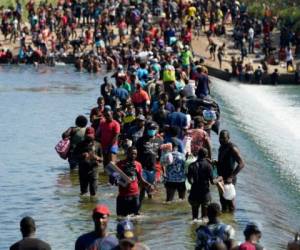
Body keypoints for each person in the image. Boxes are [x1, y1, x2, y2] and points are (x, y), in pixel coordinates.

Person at [115, 147, 154, 216]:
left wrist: (148, 185)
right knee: (121, 219)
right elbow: (114, 180)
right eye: (132, 153)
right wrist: (123, 179)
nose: (133, 155)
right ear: (127, 153)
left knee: (136, 220)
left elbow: (141, 180)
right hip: (123, 197)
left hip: (135, 196)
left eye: (135, 154)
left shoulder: (138, 165)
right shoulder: (119, 164)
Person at [187, 148, 221, 220]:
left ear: (198, 154)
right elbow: (212, 182)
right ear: (206, 155)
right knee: (204, 218)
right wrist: (219, 178)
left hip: (194, 193)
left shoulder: (191, 165)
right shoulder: (208, 166)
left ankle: (194, 229)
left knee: (194, 218)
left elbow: (189, 180)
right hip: (205, 194)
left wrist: (194, 184)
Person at [216, 130, 245, 212]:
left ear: (228, 138)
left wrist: (231, 177)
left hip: (229, 178)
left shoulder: (232, 148)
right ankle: (225, 218)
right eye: (220, 138)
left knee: (230, 201)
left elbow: (241, 163)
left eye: (223, 138)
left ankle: (232, 220)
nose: (221, 140)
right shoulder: (221, 147)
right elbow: (224, 161)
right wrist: (217, 163)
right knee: (222, 200)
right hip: (221, 177)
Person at [74, 127, 102, 196]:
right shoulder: (80, 145)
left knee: (93, 193)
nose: (89, 137)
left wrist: (97, 158)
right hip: (82, 170)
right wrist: (82, 155)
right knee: (83, 193)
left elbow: (102, 159)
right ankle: (84, 205)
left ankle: (93, 205)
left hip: (94, 170)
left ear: (94, 135)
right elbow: (74, 157)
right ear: (85, 135)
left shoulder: (97, 145)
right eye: (87, 135)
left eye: (90, 136)